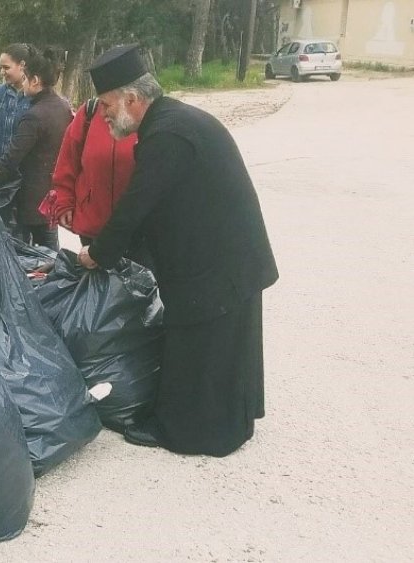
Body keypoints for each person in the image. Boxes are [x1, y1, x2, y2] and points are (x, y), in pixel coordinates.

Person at [78, 44, 279, 457]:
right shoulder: (172, 121)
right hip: (227, 254)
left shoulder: (167, 134)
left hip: (217, 262)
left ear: (132, 99)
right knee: (227, 346)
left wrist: (98, 253)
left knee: (200, 347)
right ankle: (233, 420)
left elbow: (137, 205)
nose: (103, 115)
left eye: (106, 105)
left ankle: (193, 434)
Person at [0, 46, 72, 249]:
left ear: (35, 80)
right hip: (51, 194)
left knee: (27, 255)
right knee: (51, 251)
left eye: (25, 79)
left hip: (30, 198)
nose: (23, 84)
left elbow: (12, 157)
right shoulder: (62, 106)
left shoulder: (34, 115)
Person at [52, 98, 137, 246]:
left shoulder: (144, 113)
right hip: (93, 225)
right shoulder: (89, 113)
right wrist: (64, 202)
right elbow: (67, 162)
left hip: (137, 228)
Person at [0, 44, 31, 164]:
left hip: (21, 168)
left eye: (6, 68)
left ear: (22, 65)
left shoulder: (33, 97)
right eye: (1, 68)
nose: (2, 72)